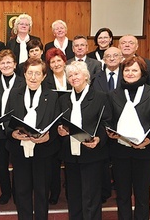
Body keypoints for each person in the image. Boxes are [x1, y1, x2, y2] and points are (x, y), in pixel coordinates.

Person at [106, 55, 150, 220]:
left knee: (142, 195)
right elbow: (109, 120)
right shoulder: (113, 94)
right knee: (122, 195)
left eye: (134, 70)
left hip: (145, 151)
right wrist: (109, 132)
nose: (130, 73)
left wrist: (148, 140)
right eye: (127, 70)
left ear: (142, 73)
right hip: (120, 151)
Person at [5, 58, 60, 220]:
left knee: (42, 191)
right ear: (24, 74)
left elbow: (57, 123)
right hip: (19, 150)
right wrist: (12, 133)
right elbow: (7, 120)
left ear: (44, 76)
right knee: (21, 190)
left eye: (37, 73)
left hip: (43, 151)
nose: (33, 77)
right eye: (30, 73)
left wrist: (48, 137)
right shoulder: (15, 93)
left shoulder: (51, 95)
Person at [57, 61, 110, 220]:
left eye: (77, 74)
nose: (73, 78)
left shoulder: (100, 97)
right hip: (70, 154)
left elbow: (106, 123)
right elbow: (60, 122)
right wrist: (60, 130)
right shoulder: (63, 100)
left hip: (91, 152)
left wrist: (99, 139)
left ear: (86, 76)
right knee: (73, 195)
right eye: (70, 75)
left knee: (91, 197)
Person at [0, 49, 25, 205]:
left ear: (15, 64)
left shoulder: (23, 82)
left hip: (17, 129)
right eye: (3, 63)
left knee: (18, 164)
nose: (6, 65)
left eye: (9, 62)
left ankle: (17, 192)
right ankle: (6, 191)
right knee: (1, 165)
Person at [91, 46, 123, 204]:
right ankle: (104, 191)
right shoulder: (96, 77)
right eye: (108, 56)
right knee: (103, 160)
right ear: (103, 59)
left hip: (123, 124)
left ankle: (121, 189)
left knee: (120, 160)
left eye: (115, 55)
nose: (111, 58)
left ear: (121, 58)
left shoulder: (128, 75)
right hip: (103, 123)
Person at [43, 47, 71, 205]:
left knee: (70, 160)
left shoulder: (72, 76)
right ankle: (54, 192)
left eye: (58, 60)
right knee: (53, 163)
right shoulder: (46, 80)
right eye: (52, 62)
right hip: (53, 125)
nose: (56, 64)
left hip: (71, 124)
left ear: (64, 61)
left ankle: (70, 191)